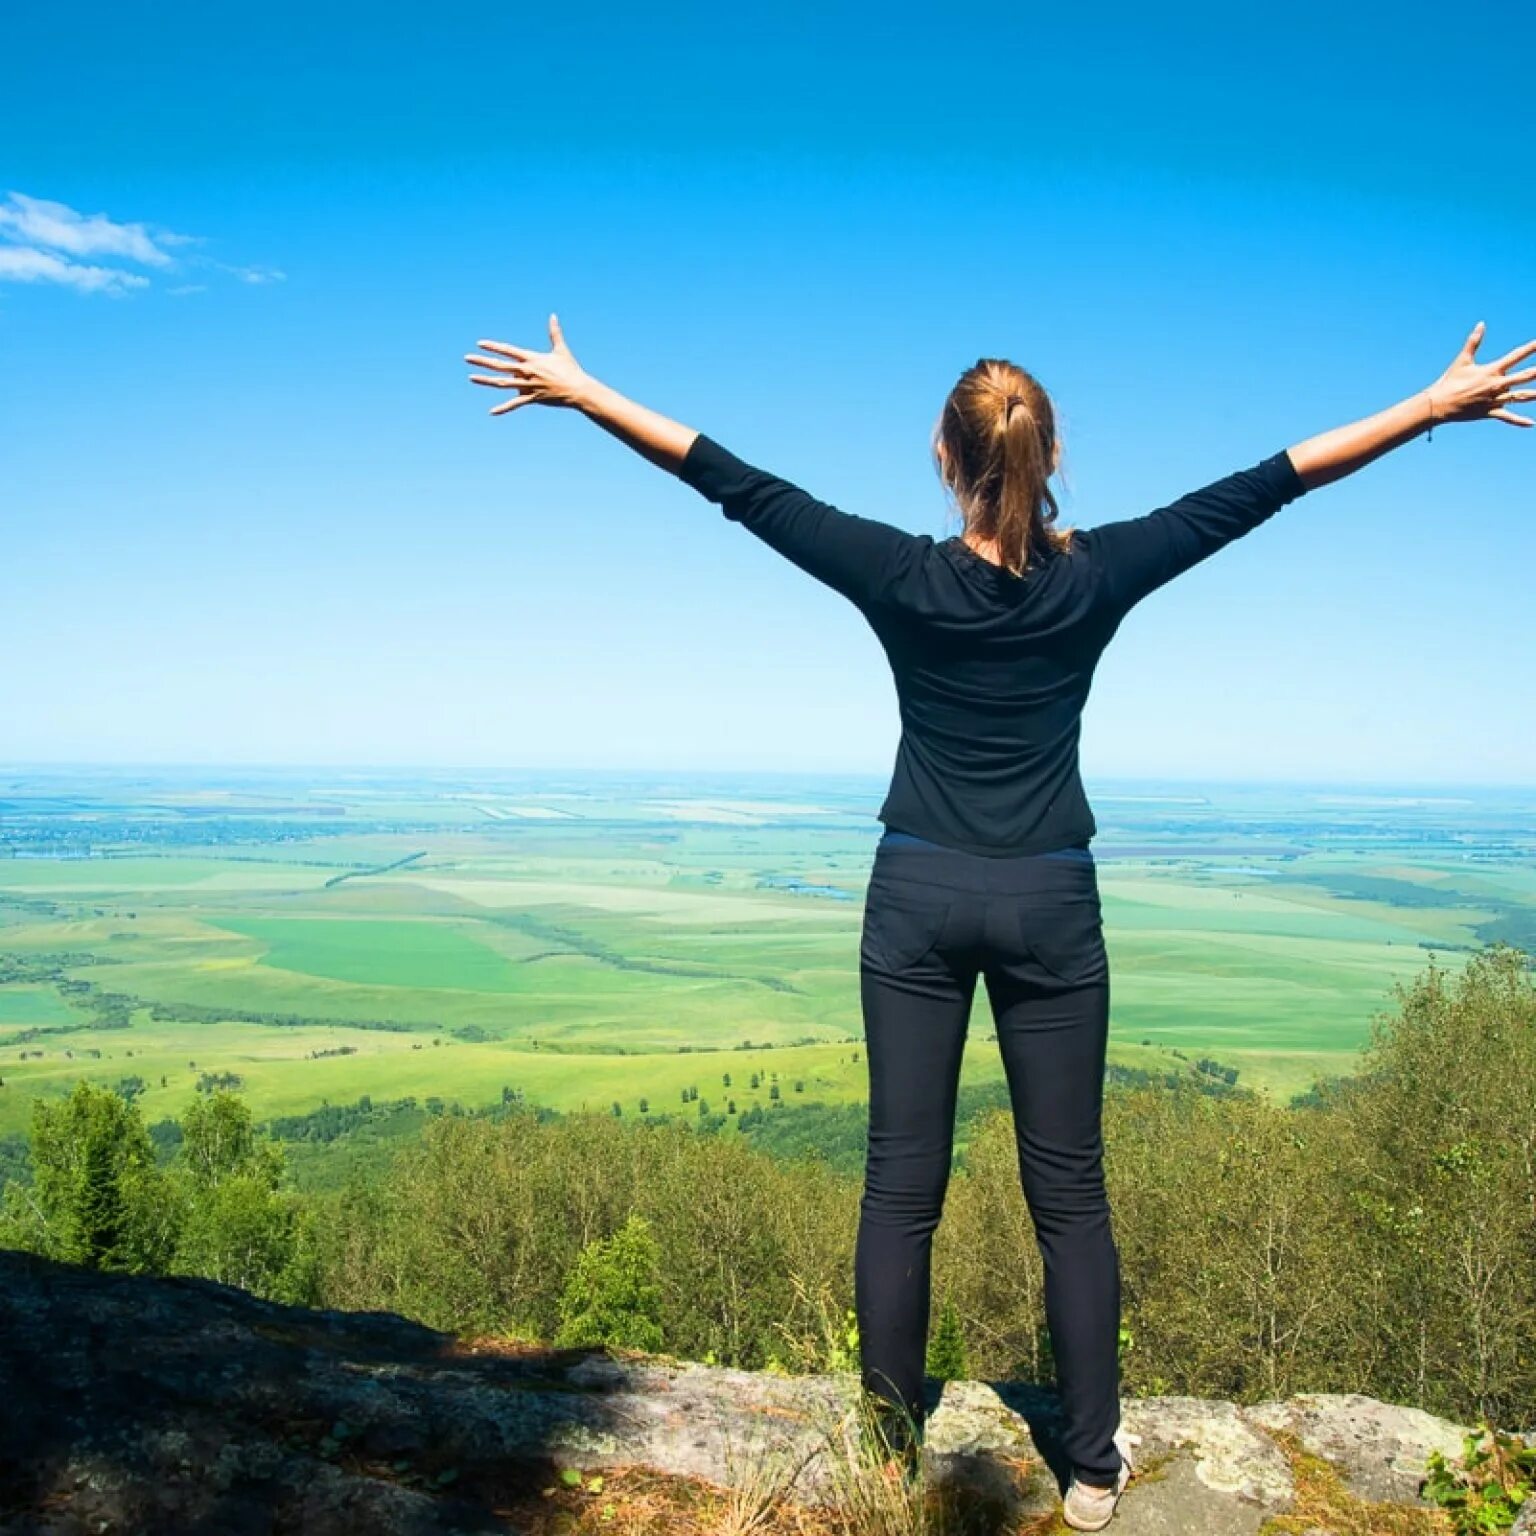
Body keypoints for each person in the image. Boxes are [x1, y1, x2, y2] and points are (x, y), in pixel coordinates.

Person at [464, 317, 1534, 1531]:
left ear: (944, 455)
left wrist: (585, 389)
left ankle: (883, 1444)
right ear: (1052, 450)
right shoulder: (1100, 574)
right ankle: (1089, 1467)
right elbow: (1271, 483)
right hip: (1049, 901)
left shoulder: (897, 575)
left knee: (898, 1185)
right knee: (1069, 1192)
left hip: (915, 895)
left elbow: (731, 480)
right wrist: (1427, 407)